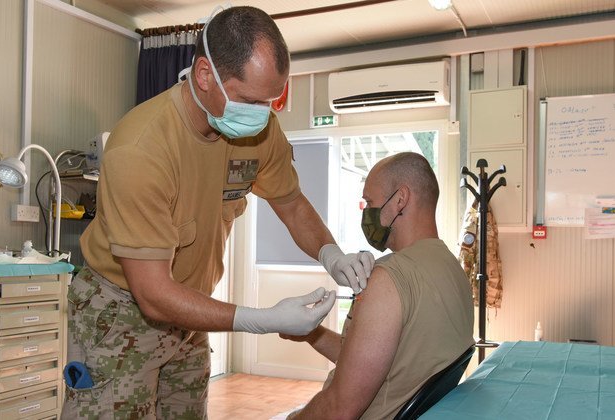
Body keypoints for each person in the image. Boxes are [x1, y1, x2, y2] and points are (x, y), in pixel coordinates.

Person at [62, 6, 374, 419]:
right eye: (251, 100)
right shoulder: (141, 149)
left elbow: (291, 203)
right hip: (121, 313)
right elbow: (153, 294)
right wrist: (260, 319)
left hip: (189, 312)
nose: (263, 114)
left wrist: (331, 255)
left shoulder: (258, 129)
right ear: (205, 75)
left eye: (271, 100)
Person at [282, 152, 475, 419]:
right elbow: (373, 362)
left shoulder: (388, 279)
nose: (366, 213)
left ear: (400, 200)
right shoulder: (450, 266)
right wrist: (311, 334)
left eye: (370, 202)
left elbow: (340, 408)